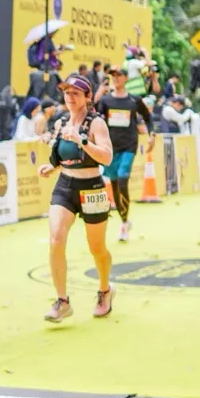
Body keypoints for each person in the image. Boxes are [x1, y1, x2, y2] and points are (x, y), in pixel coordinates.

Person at [38, 73, 115, 323]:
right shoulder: (61, 123)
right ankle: (62, 301)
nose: (70, 97)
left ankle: (105, 290)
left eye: (75, 93)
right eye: (66, 92)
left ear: (87, 97)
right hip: (65, 186)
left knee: (97, 248)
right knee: (56, 238)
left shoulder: (96, 123)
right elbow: (63, 156)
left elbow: (107, 157)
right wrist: (52, 167)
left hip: (92, 188)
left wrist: (82, 141)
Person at [97, 66, 156, 242]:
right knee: (115, 185)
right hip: (111, 148)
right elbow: (95, 118)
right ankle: (124, 220)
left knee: (123, 180)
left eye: (119, 75)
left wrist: (152, 135)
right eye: (113, 76)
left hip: (128, 146)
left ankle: (123, 224)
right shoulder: (106, 100)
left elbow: (148, 118)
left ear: (126, 78)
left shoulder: (134, 100)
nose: (115, 78)